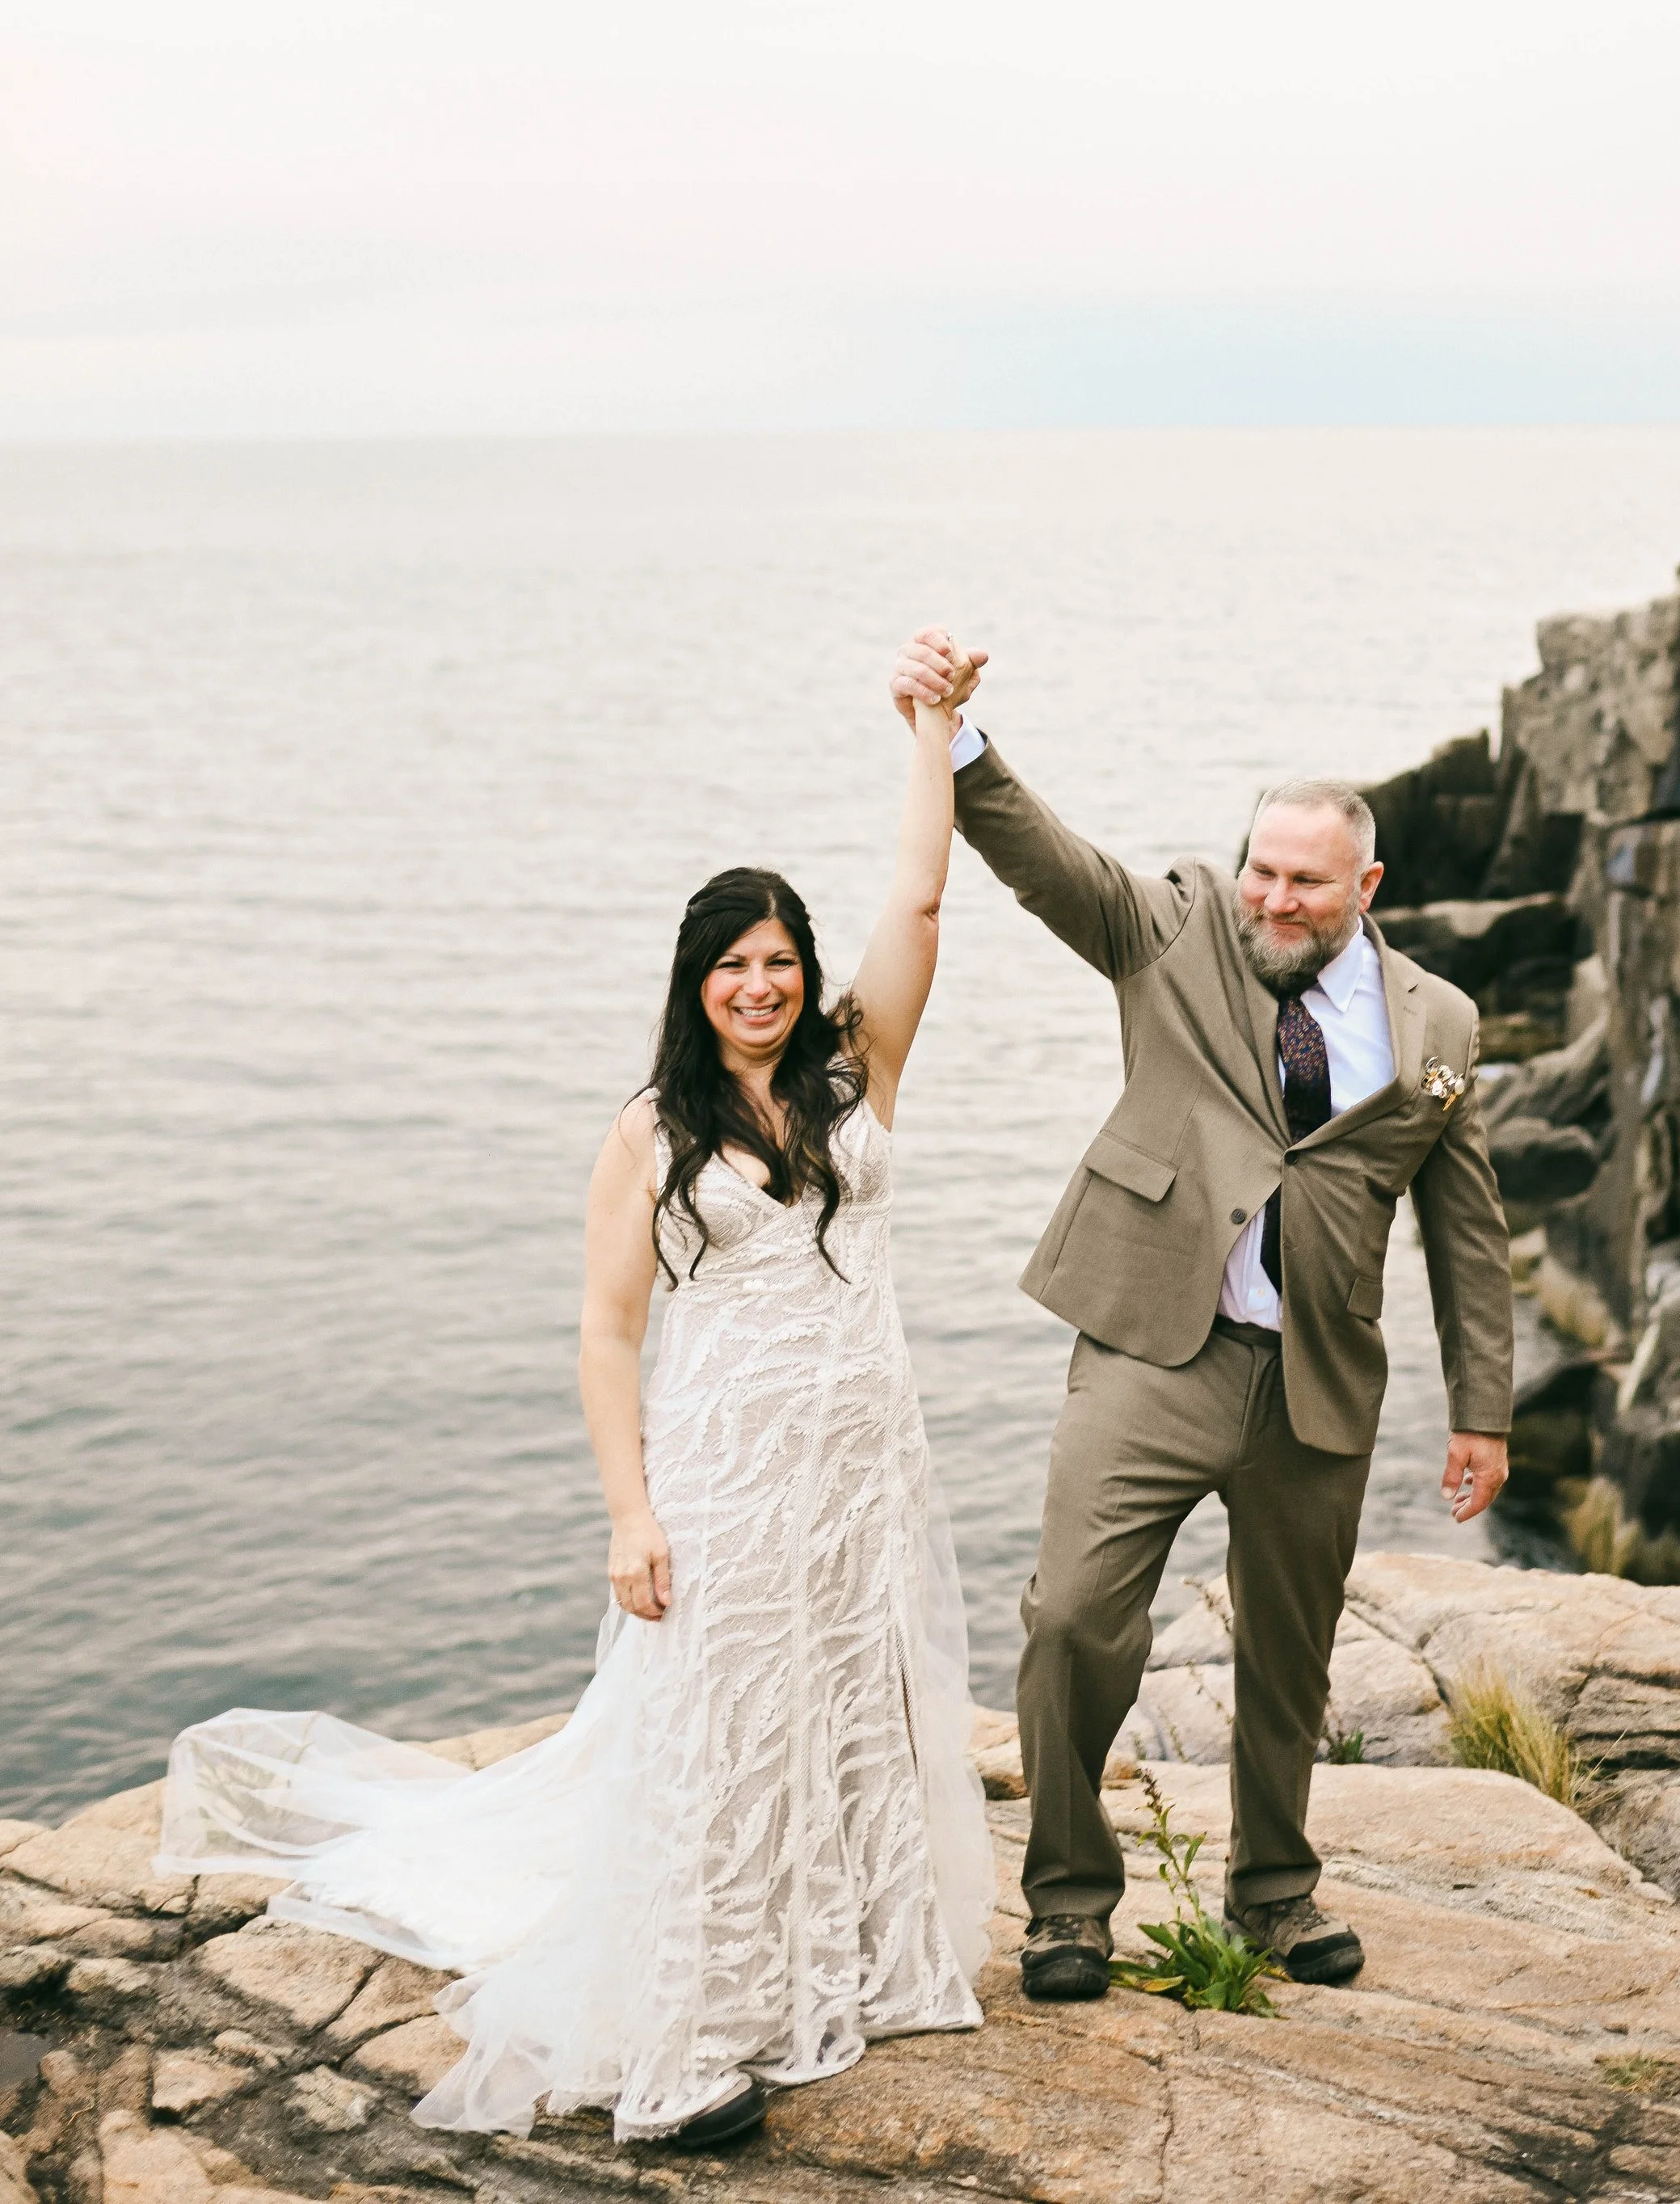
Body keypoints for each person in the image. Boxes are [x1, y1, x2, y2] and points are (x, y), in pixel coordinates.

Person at [156, 658, 993, 2151]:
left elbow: (922, 906)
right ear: (693, 983)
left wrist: (934, 735)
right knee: (718, 1738)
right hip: (728, 1471)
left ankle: (840, 1964)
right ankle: (678, 2044)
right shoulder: (653, 1129)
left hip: (865, 1466)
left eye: (779, 960)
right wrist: (631, 1510)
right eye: (731, 965)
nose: (760, 985)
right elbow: (609, 1337)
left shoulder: (858, 1074)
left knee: (845, 1704)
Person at [889, 628, 1514, 2004]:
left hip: (1319, 1377)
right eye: (1262, 868)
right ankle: (1067, 1901)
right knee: (1071, 1621)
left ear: (1367, 885)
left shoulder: (1442, 1027)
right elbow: (1049, 863)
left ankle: (1276, 1895)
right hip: (1151, 1346)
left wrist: (1483, 1411)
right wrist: (960, 739)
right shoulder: (1174, 926)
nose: (1275, 897)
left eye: (1304, 879)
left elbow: (1466, 1229)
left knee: (1289, 1656)